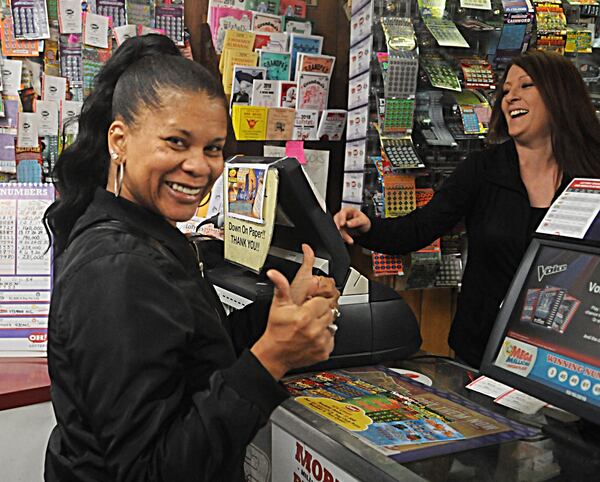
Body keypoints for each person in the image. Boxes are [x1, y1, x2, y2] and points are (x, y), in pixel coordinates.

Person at [44, 34, 340, 481]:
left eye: (213, 148)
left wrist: (272, 320)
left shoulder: (149, 232)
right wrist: (271, 359)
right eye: (177, 143)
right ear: (119, 140)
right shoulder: (118, 267)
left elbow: (187, 346)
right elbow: (152, 471)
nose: (200, 167)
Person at [334, 50, 600, 368]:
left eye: (525, 85)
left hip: (566, 356)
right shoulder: (482, 169)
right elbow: (419, 228)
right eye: (505, 91)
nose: (510, 97)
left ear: (561, 94)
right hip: (484, 348)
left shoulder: (591, 173)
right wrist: (368, 227)